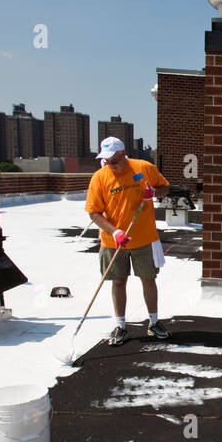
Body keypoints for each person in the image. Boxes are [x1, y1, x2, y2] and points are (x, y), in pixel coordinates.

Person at [85, 136, 172, 345]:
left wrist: (154, 193)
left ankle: (154, 323)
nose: (110, 165)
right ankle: (121, 326)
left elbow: (165, 187)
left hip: (144, 238)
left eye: (114, 160)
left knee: (148, 280)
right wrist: (115, 232)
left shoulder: (144, 168)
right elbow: (94, 212)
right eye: (106, 161)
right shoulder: (99, 178)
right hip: (113, 241)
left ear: (124, 154)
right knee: (118, 281)